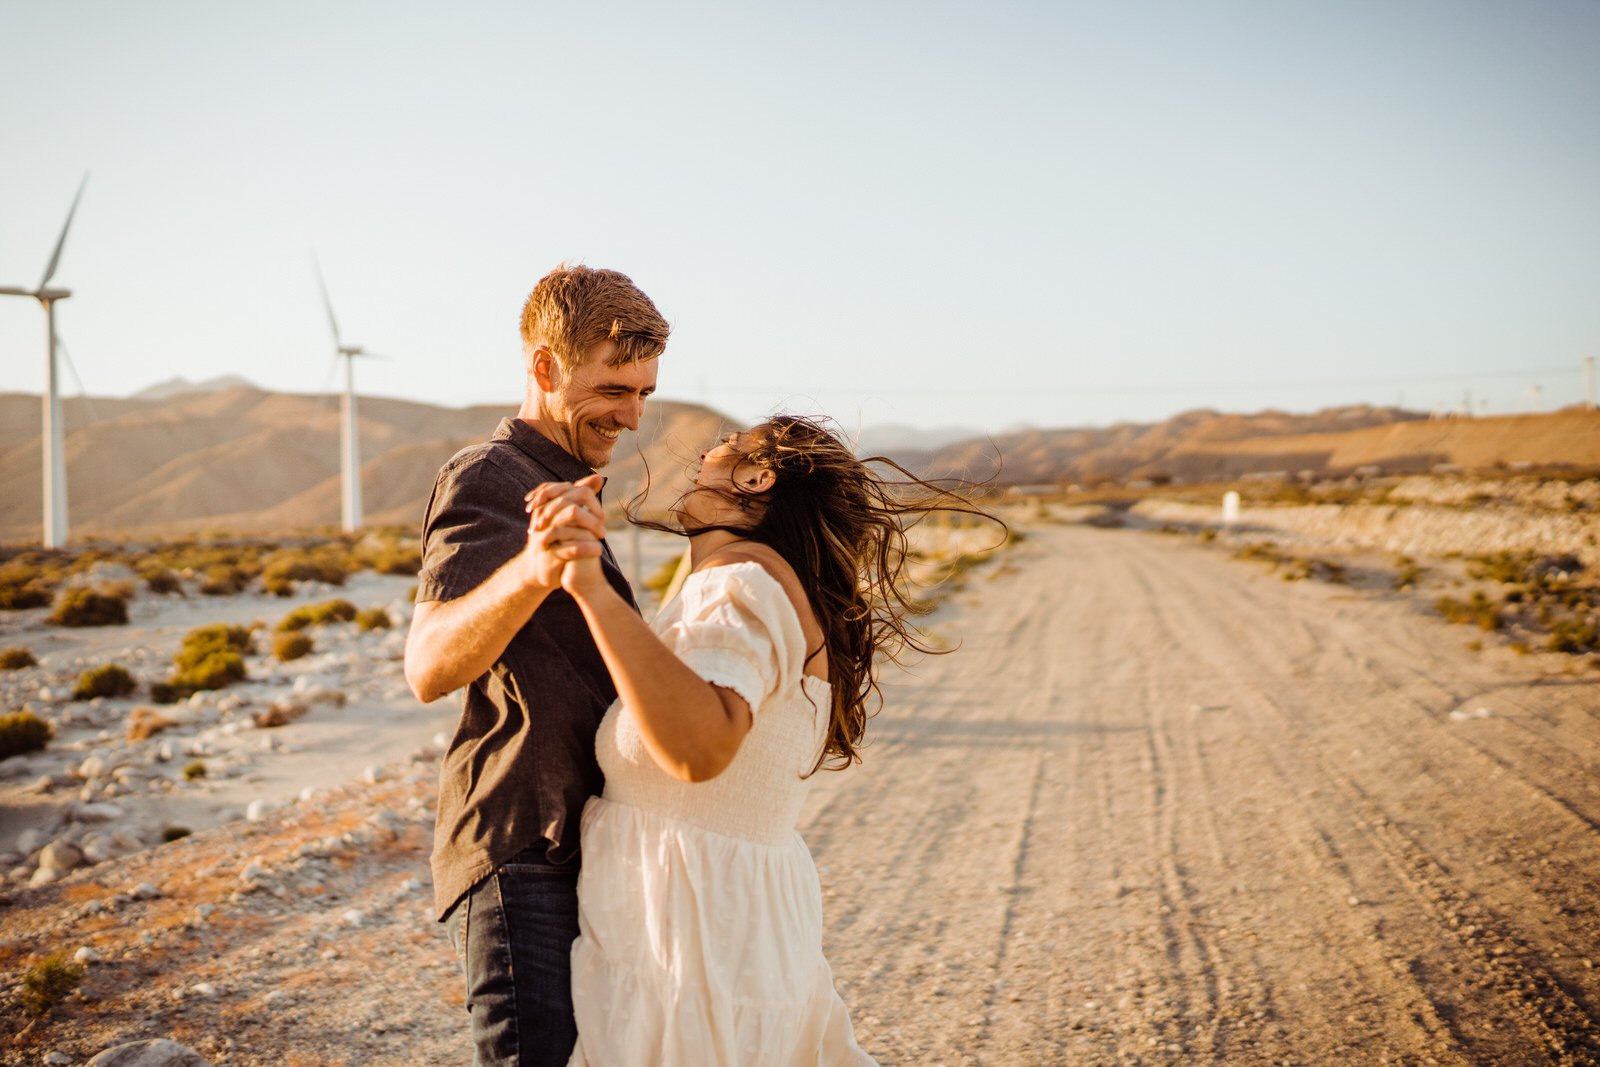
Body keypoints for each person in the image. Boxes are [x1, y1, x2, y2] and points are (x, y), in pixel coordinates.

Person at [526, 415, 997, 1066]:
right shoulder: (758, 586)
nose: (700, 459)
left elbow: (700, 746)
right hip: (723, 934)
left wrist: (586, 584)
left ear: (756, 475)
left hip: (696, 946)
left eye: (719, 452)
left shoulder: (741, 581)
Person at [404, 264, 670, 1067]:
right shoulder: (492, 476)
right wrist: (534, 566)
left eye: (644, 394)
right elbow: (427, 665)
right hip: (521, 841)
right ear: (545, 367)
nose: (630, 415)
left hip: (578, 836)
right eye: (614, 388)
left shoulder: (563, 480)